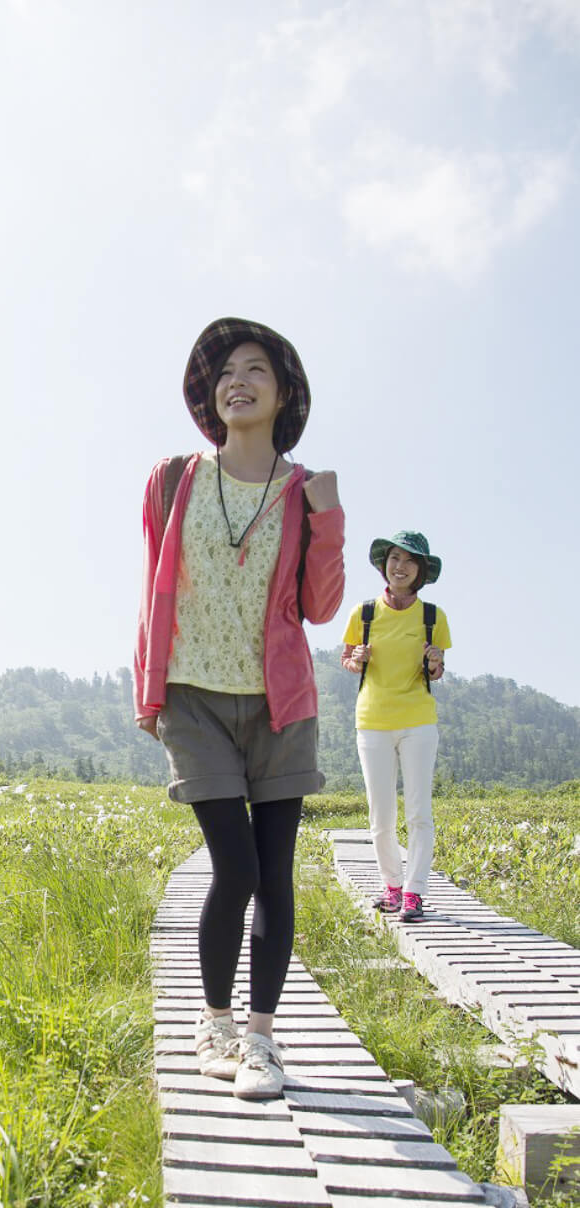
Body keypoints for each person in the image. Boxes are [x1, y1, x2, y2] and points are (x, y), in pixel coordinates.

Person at [134, 318, 345, 1099]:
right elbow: (154, 592)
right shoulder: (172, 480)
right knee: (237, 863)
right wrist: (148, 690)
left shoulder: (302, 491)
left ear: (282, 394)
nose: (237, 381)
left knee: (277, 871)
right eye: (225, 371)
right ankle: (214, 1022)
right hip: (194, 699)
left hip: (280, 704)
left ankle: (261, 1039)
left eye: (256, 370)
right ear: (211, 395)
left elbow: (320, 608)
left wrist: (330, 520)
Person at [341, 532, 451, 923]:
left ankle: (414, 893)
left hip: (419, 721)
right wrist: (356, 658)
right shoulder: (364, 613)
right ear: (384, 565)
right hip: (371, 721)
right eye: (393, 558)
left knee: (420, 812)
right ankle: (391, 886)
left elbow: (435, 672)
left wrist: (436, 662)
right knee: (381, 815)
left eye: (409, 561)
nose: (399, 566)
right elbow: (348, 660)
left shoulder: (432, 617)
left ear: (420, 571)